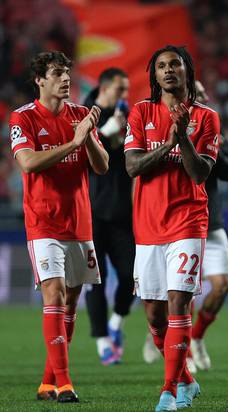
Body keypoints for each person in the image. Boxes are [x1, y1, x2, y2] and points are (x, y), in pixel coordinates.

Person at [124, 45, 220, 412]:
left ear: (187, 72)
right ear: (154, 75)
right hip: (148, 225)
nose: (168, 71)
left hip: (188, 220)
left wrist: (183, 137)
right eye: (161, 66)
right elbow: (133, 167)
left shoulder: (207, 117)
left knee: (179, 302)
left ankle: (168, 391)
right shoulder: (141, 112)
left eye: (175, 65)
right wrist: (169, 143)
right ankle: (188, 382)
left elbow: (200, 173)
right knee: (154, 314)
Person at [9, 51, 109, 402]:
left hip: (79, 224)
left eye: (67, 73)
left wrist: (89, 137)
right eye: (56, 73)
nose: (65, 79)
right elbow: (29, 163)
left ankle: (47, 380)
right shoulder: (22, 118)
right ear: (39, 80)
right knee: (53, 295)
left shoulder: (81, 115)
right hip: (43, 223)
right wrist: (73, 142)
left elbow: (102, 166)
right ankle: (65, 383)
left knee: (70, 303)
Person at [83, 67, 136, 365]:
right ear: (104, 87)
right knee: (95, 282)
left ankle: (117, 323)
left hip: (122, 213)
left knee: (131, 277)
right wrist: (105, 132)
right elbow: (79, 157)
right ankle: (103, 341)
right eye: (120, 88)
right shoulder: (83, 115)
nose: (124, 95)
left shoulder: (127, 117)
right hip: (89, 213)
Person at [189, 80, 228, 371]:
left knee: (221, 286)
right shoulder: (167, 126)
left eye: (206, 93)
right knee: (180, 292)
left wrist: (213, 149)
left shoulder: (213, 127)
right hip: (179, 222)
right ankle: (175, 346)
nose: (205, 97)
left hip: (211, 219)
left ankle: (195, 337)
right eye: (199, 93)